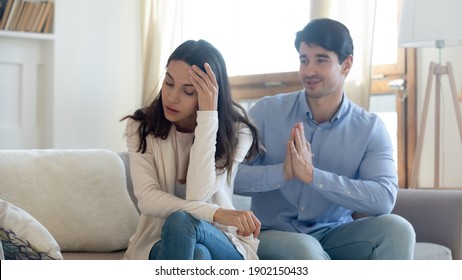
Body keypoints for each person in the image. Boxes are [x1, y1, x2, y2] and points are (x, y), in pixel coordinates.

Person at [234, 18, 416, 260]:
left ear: (346, 64)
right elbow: (230, 177)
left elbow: (383, 198)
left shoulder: (370, 129)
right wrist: (283, 173)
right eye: (304, 60)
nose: (309, 71)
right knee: (305, 250)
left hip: (334, 234)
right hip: (271, 234)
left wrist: (313, 176)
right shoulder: (266, 112)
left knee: (399, 229)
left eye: (321, 60)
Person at [121, 39, 263, 260]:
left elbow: (198, 193)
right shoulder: (141, 127)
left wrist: (207, 117)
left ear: (212, 95)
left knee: (181, 221)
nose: (172, 97)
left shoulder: (238, 133)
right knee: (196, 254)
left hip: (225, 243)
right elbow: (148, 199)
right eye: (168, 83)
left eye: (188, 91)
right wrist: (216, 213)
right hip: (159, 241)